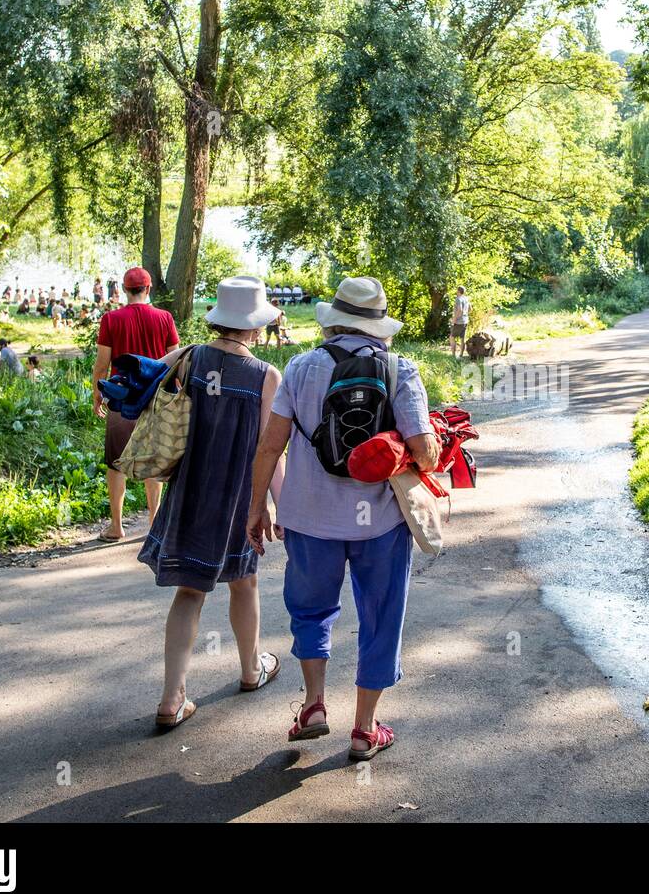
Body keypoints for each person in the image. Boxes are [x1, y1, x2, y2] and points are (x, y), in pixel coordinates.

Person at [247, 276, 439, 761]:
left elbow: (270, 445)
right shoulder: (400, 370)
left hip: (309, 519)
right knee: (380, 616)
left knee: (311, 610)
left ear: (334, 321)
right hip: (380, 523)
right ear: (379, 326)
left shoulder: (300, 367)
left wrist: (257, 507)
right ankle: (364, 728)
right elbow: (424, 453)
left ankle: (313, 706)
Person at [138, 276, 285, 729]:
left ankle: (171, 698)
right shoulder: (265, 376)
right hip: (240, 496)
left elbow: (144, 373)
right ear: (256, 327)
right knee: (244, 582)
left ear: (220, 319)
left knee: (189, 591)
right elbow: (269, 449)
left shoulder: (191, 357)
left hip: (190, 492)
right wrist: (281, 508)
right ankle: (249, 669)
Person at [93, 266, 180, 542]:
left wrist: (98, 394)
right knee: (152, 459)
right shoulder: (164, 318)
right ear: (148, 288)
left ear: (124, 289)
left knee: (116, 461)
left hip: (121, 398)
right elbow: (176, 360)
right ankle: (154, 522)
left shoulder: (111, 319)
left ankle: (116, 526)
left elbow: (102, 363)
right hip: (154, 398)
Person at [449, 285, 471, 358]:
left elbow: (460, 310)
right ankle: (461, 355)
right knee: (462, 338)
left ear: (458, 291)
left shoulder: (458, 299)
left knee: (452, 337)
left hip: (459, 322)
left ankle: (453, 355)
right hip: (465, 321)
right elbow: (470, 309)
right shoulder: (466, 299)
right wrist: (465, 315)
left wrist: (454, 320)